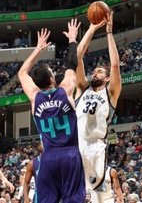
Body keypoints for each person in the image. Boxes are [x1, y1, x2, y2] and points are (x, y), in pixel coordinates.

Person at [18, 18, 85, 202]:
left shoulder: (34, 97)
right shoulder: (65, 90)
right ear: (52, 78)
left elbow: (22, 73)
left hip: (48, 157)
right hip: (70, 154)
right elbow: (72, 63)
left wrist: (38, 49)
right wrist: (72, 39)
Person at [75, 10, 122, 193]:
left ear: (108, 78)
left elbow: (115, 65)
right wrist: (92, 29)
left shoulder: (111, 93)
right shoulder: (82, 88)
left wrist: (109, 32)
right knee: (76, 192)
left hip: (97, 147)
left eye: (100, 72)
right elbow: (77, 57)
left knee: (95, 191)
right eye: (94, 71)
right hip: (77, 144)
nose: (95, 73)